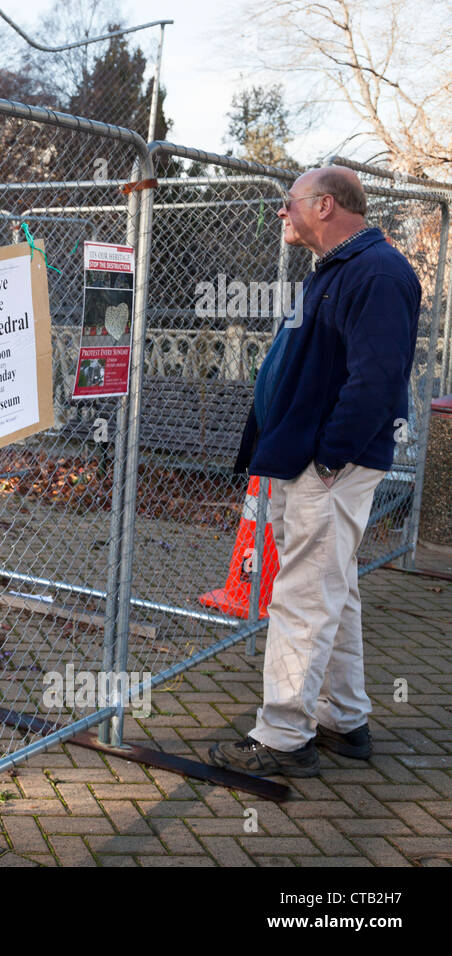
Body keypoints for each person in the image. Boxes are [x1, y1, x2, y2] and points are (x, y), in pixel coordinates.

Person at [210, 166, 421, 778]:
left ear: (325, 206)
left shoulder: (378, 272)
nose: (282, 213)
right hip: (303, 459)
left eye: (290, 202)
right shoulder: (338, 268)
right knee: (333, 587)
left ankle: (282, 736)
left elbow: (377, 380)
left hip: (329, 466)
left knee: (303, 594)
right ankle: (343, 719)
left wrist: (330, 458)